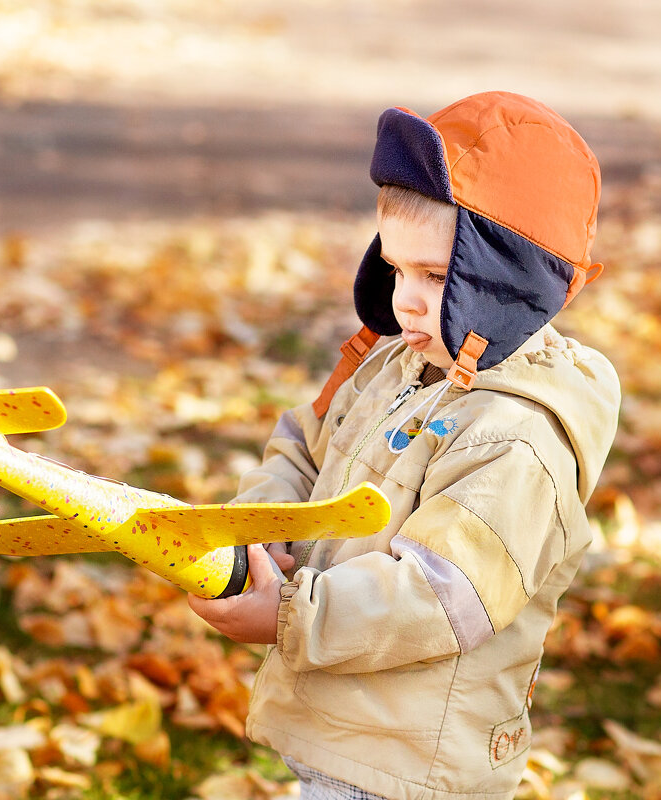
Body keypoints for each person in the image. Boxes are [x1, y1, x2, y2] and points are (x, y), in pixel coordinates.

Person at [188, 91, 621, 799]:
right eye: (395, 269)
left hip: (414, 765)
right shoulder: (398, 363)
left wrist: (293, 615)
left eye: (438, 277)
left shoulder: (518, 437)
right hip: (346, 731)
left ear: (513, 285)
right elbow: (304, 443)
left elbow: (442, 593)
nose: (405, 303)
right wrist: (262, 530)